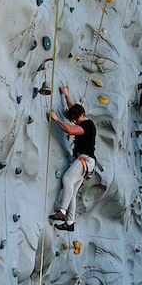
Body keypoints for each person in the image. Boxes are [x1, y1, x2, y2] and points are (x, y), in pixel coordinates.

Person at [49, 85, 96, 231]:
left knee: (67, 179)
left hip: (84, 160)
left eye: (76, 120)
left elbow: (70, 130)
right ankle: (70, 223)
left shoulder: (87, 125)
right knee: (73, 193)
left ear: (82, 115)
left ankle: (62, 212)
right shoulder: (81, 117)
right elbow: (73, 107)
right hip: (87, 162)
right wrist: (66, 95)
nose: (75, 122)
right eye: (73, 120)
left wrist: (56, 119)